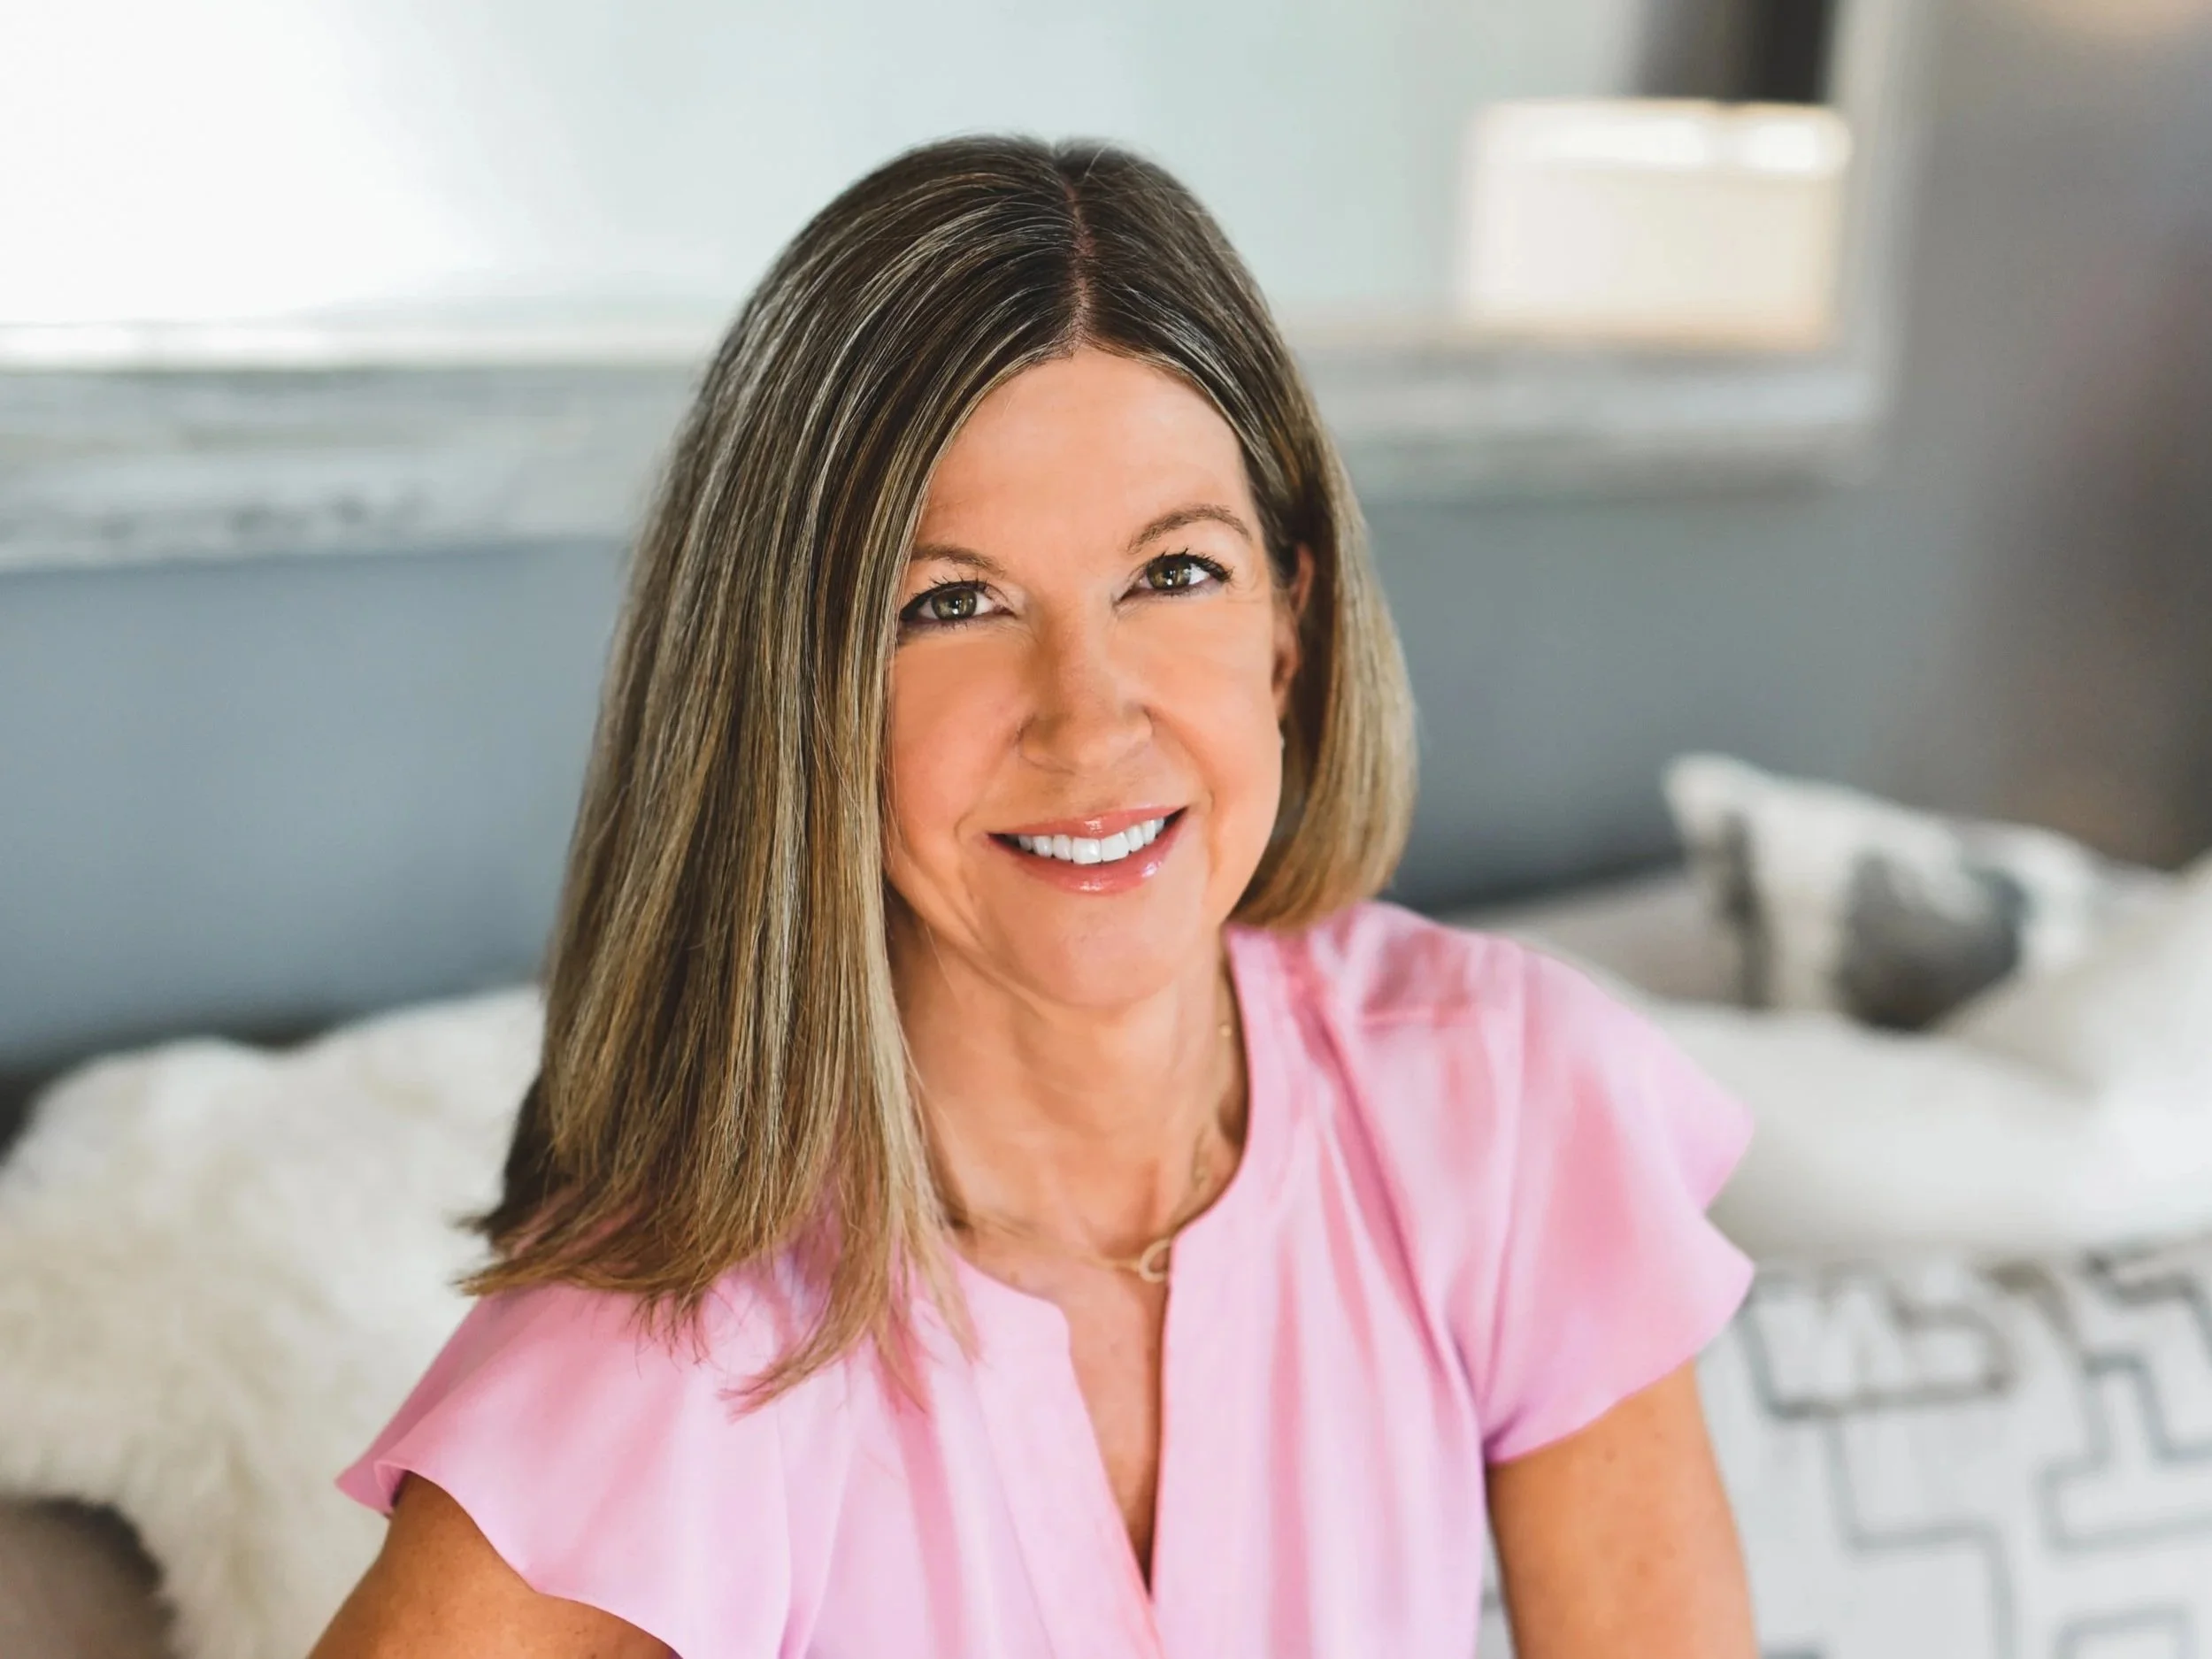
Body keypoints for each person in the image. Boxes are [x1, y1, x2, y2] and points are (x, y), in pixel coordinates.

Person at [310, 134, 1760, 1659]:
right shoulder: (676, 1339)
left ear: (1291, 628)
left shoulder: (1503, 1098)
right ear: (799, 705)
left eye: (1175, 573)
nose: (1089, 719)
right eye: (953, 603)